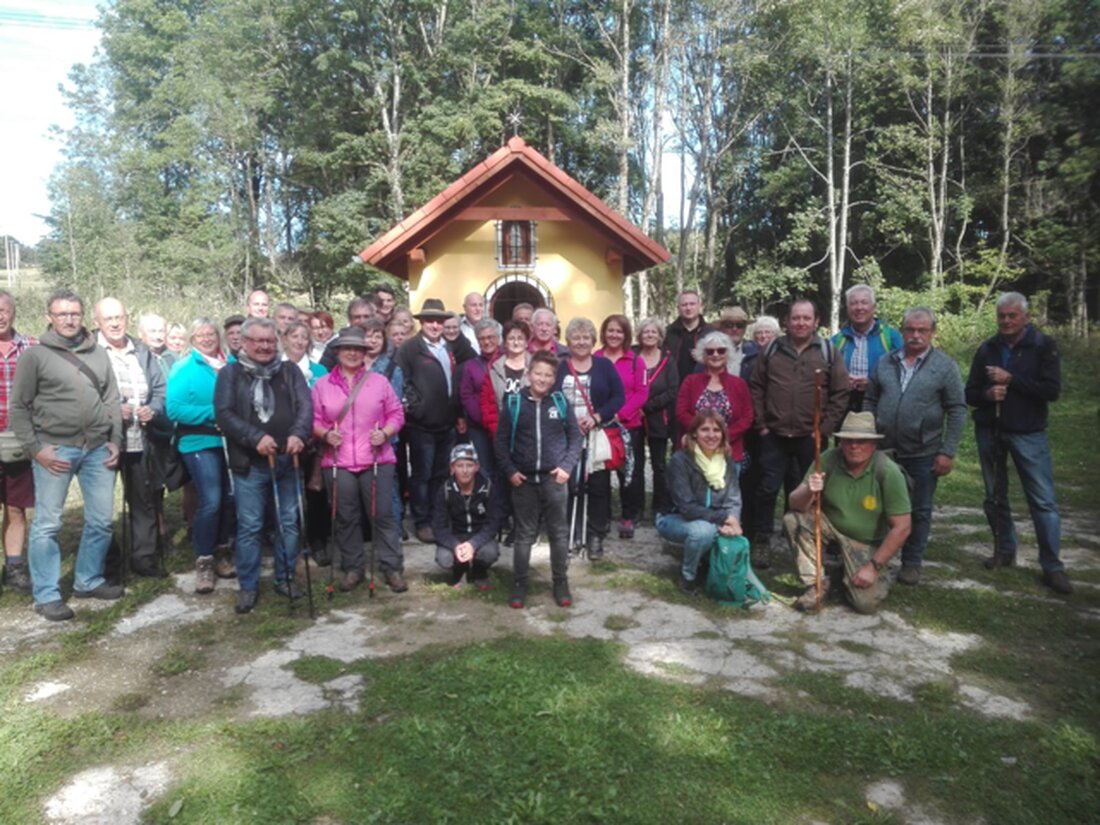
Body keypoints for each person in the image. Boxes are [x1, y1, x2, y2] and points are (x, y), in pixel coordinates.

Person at [10, 289, 123, 621]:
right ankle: (46, 594)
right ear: (49, 317)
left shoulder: (98, 353)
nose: (69, 320)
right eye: (62, 314)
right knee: (47, 523)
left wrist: (114, 438)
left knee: (101, 519)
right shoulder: (35, 356)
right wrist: (37, 449)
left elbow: (111, 399)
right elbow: (19, 408)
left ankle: (88, 579)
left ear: (82, 315)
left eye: (74, 313)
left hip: (97, 449)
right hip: (55, 449)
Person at [964, 292, 1072, 595]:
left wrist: (1011, 381)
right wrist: (987, 395)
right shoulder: (987, 349)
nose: (1007, 321)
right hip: (991, 430)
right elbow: (970, 393)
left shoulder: (1042, 347)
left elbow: (1051, 390)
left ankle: (1052, 566)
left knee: (1042, 500)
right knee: (994, 496)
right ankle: (1005, 550)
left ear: (1025, 316)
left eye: (1012, 315)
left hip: (1028, 432)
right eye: (1002, 316)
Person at [214, 317, 312, 613]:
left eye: (269, 341)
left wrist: (298, 434)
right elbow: (224, 414)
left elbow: (306, 407)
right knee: (251, 526)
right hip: (250, 463)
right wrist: (254, 437)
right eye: (258, 341)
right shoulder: (230, 374)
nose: (265, 346)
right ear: (244, 342)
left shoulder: (290, 371)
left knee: (289, 524)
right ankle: (248, 586)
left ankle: (285, 578)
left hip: (286, 460)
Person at [865, 307, 966, 585]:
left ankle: (911, 562)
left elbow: (957, 409)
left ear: (933, 332)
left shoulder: (945, 366)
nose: (916, 335)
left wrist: (948, 451)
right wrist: (868, 434)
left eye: (923, 330)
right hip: (885, 448)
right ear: (902, 331)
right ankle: (874, 555)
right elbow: (870, 399)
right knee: (877, 504)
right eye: (910, 329)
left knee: (919, 509)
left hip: (924, 451)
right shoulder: (886, 362)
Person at [749, 299, 848, 565]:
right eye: (795, 318)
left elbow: (841, 393)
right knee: (767, 488)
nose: (800, 323)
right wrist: (762, 425)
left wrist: (824, 429)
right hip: (775, 434)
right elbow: (756, 387)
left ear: (816, 321)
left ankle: (804, 540)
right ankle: (762, 540)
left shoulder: (828, 351)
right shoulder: (772, 349)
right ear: (787, 322)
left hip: (810, 437)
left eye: (806, 318)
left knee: (809, 490)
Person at [783, 412, 911, 614]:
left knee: (864, 604)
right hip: (831, 525)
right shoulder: (827, 459)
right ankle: (817, 582)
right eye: (848, 440)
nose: (854, 446)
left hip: (866, 541)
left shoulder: (888, 472)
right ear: (840, 442)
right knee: (794, 520)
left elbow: (902, 526)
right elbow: (794, 504)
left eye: (862, 441)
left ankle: (881, 570)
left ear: (874, 444)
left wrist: (872, 567)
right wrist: (809, 490)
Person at [312, 325, 406, 592]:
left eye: (358, 349)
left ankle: (392, 567)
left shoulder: (380, 382)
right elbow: (314, 420)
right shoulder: (321, 386)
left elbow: (397, 414)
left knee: (383, 515)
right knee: (345, 516)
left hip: (377, 458)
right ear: (338, 352)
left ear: (365, 353)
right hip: (338, 460)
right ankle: (353, 567)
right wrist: (325, 434)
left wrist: (386, 432)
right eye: (347, 349)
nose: (352, 353)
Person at [496, 350, 582, 608]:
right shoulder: (514, 403)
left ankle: (560, 581)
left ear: (554, 377)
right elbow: (500, 442)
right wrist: (510, 471)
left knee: (558, 532)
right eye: (538, 373)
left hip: (554, 479)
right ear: (528, 374)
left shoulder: (560, 402)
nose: (542, 379)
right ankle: (519, 584)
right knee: (524, 534)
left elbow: (575, 438)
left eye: (548, 375)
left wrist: (567, 467)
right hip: (523, 481)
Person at [96, 297, 171, 579]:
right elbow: (82, 394)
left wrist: (153, 409)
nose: (115, 323)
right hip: (103, 440)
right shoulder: (90, 350)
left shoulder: (142, 351)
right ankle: (108, 561)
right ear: (98, 323)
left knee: (143, 499)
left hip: (141, 438)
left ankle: (144, 557)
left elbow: (161, 389)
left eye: (119, 317)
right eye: (108, 319)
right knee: (101, 505)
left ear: (127, 318)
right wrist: (111, 410)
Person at [166, 318, 236, 592]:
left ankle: (223, 552)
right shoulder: (184, 368)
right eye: (201, 335)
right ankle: (204, 560)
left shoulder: (229, 365)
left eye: (211, 334)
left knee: (230, 500)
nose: (207, 339)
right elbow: (174, 408)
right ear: (192, 339)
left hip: (230, 443)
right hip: (198, 443)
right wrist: (213, 415)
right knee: (212, 500)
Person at [555, 317, 625, 559]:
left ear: (593, 340)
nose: (581, 342)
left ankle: (595, 534)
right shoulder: (560, 367)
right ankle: (566, 532)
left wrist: (597, 417)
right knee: (567, 483)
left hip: (596, 433)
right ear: (568, 341)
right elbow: (552, 398)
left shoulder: (604, 366)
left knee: (597, 485)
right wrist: (567, 421)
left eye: (586, 337)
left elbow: (618, 397)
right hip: (565, 435)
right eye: (576, 337)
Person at [396, 298, 463, 544]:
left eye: (439, 321)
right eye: (429, 321)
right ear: (421, 322)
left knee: (440, 475)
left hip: (447, 424)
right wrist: (416, 405)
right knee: (422, 475)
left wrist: (457, 414)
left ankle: (437, 518)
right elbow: (400, 380)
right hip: (421, 425)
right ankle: (421, 521)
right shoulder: (410, 348)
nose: (435, 325)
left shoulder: (449, 347)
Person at [657, 411, 742, 595]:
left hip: (713, 519)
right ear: (694, 433)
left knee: (720, 531)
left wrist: (733, 520)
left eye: (716, 430)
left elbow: (734, 499)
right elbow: (686, 508)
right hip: (673, 518)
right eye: (705, 429)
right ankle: (688, 578)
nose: (711, 435)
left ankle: (709, 568)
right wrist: (724, 518)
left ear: (723, 434)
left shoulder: (727, 461)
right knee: (702, 531)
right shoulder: (680, 460)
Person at [596, 314, 648, 538]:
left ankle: (629, 515)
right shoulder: (595, 358)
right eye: (610, 330)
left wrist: (621, 413)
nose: (614, 335)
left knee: (629, 473)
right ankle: (602, 516)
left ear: (626, 335)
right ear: (604, 333)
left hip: (629, 425)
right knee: (601, 472)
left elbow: (642, 392)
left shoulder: (636, 360)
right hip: (601, 426)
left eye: (619, 331)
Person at [675, 330, 754, 475]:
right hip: (695, 451)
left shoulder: (739, 384)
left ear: (728, 353)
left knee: (728, 497)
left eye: (721, 350)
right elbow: (681, 412)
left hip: (728, 451)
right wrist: (702, 435)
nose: (716, 355)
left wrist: (723, 436)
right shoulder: (690, 381)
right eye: (710, 351)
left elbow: (747, 417)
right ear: (703, 356)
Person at [0, 290, 37, 594]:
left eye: (4, 309)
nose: (0, 315)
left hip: (19, 439)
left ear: (13, 312)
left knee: (16, 506)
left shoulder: (33, 348)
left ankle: (14, 566)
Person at [431, 443, 503, 589]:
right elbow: (438, 527)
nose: (465, 471)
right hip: (456, 536)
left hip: (480, 536)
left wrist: (473, 544)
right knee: (444, 558)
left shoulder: (487, 487)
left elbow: (494, 522)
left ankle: (479, 572)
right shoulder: (445, 490)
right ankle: (458, 571)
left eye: (469, 465)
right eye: (459, 466)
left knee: (489, 553)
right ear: (452, 469)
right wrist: (455, 545)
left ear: (476, 467)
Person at [832, 285, 902, 412]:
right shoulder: (837, 340)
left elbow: (905, 372)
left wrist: (873, 383)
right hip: (844, 406)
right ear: (848, 309)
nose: (859, 308)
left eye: (864, 303)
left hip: (881, 405)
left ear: (873, 307)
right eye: (853, 303)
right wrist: (842, 381)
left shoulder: (891, 337)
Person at [636, 317, 678, 518]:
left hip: (658, 419)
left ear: (660, 336)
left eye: (654, 332)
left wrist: (648, 407)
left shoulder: (668, 360)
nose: (650, 335)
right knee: (635, 465)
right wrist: (636, 407)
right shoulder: (633, 356)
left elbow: (672, 390)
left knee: (659, 465)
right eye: (646, 332)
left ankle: (659, 507)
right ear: (640, 335)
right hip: (634, 418)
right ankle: (636, 508)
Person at [460, 319, 502, 478]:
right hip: (480, 426)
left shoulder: (508, 360)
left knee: (504, 468)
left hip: (504, 425)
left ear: (498, 338)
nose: (487, 341)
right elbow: (466, 394)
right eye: (482, 338)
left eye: (490, 337)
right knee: (486, 468)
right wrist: (483, 418)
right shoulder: (471, 365)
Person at [481, 321, 531, 438]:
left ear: (527, 342)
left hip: (530, 432)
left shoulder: (536, 366)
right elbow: (487, 404)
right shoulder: (494, 369)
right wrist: (496, 431)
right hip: (502, 432)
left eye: (520, 338)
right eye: (511, 338)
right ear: (505, 343)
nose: (516, 342)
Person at [665, 290, 714, 389]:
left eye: (692, 304)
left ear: (700, 306)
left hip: (705, 388)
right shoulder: (667, 333)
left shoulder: (712, 333)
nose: (688, 308)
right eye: (684, 305)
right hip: (673, 389)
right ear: (678, 308)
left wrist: (705, 358)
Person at [282, 320, 327, 387]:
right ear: (285, 339)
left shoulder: (320, 371)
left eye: (304, 338)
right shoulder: (273, 368)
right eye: (295, 336)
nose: (299, 342)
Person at [715, 306, 757, 376]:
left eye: (740, 325)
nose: (734, 329)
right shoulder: (710, 352)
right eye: (729, 325)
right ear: (721, 328)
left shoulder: (755, 351)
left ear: (745, 329)